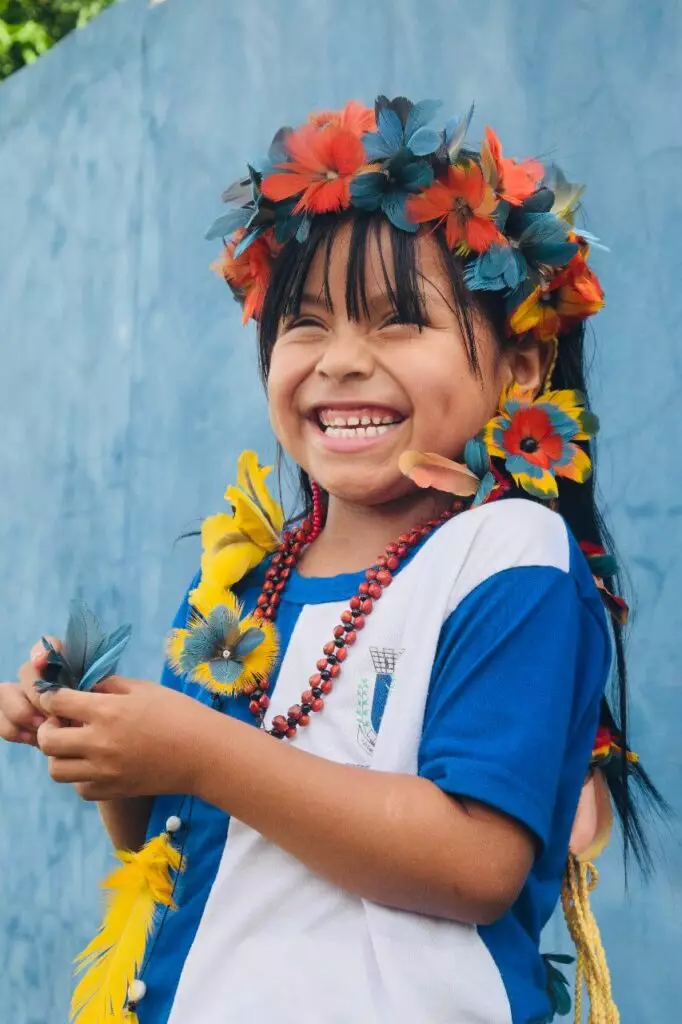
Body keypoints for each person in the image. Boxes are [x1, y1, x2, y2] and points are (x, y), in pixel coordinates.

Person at [0, 95, 663, 1024]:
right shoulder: (239, 578)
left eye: (397, 321)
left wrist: (196, 750)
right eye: (305, 323)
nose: (340, 360)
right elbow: (173, 836)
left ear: (518, 366)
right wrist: (103, 738)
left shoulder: (506, 555)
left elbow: (475, 866)